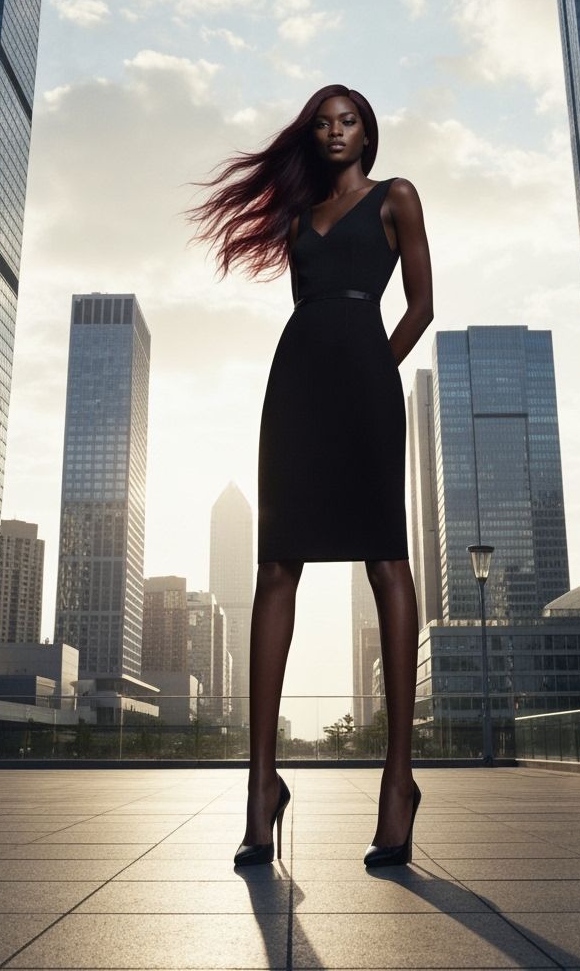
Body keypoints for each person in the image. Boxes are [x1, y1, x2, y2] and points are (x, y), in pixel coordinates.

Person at [184, 83, 433, 868]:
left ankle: (400, 780)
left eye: (348, 119)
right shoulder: (296, 217)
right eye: (322, 121)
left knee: (385, 560)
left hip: (365, 391)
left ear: (369, 132)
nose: (334, 130)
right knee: (274, 567)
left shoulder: (397, 197)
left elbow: (421, 306)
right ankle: (262, 785)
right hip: (293, 390)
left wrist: (372, 375)